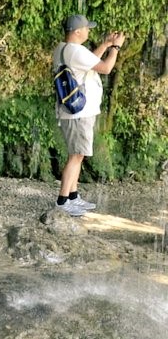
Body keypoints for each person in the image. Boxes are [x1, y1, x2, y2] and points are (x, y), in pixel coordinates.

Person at [53, 14, 125, 216]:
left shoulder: (64, 48)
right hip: (79, 113)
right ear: (77, 32)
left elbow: (89, 62)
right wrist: (115, 48)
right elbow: (105, 68)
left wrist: (104, 44)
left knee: (78, 154)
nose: (88, 31)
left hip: (74, 111)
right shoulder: (75, 51)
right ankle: (62, 201)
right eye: (86, 28)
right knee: (76, 156)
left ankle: (73, 196)